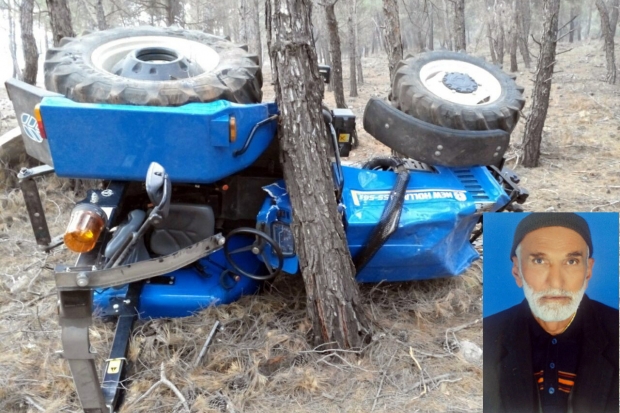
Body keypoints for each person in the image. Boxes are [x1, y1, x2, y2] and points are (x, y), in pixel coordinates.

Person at [483, 213, 619, 413]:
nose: (556, 283)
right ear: (517, 271)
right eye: (539, 261)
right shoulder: (487, 335)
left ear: (588, 271)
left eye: (571, 261)